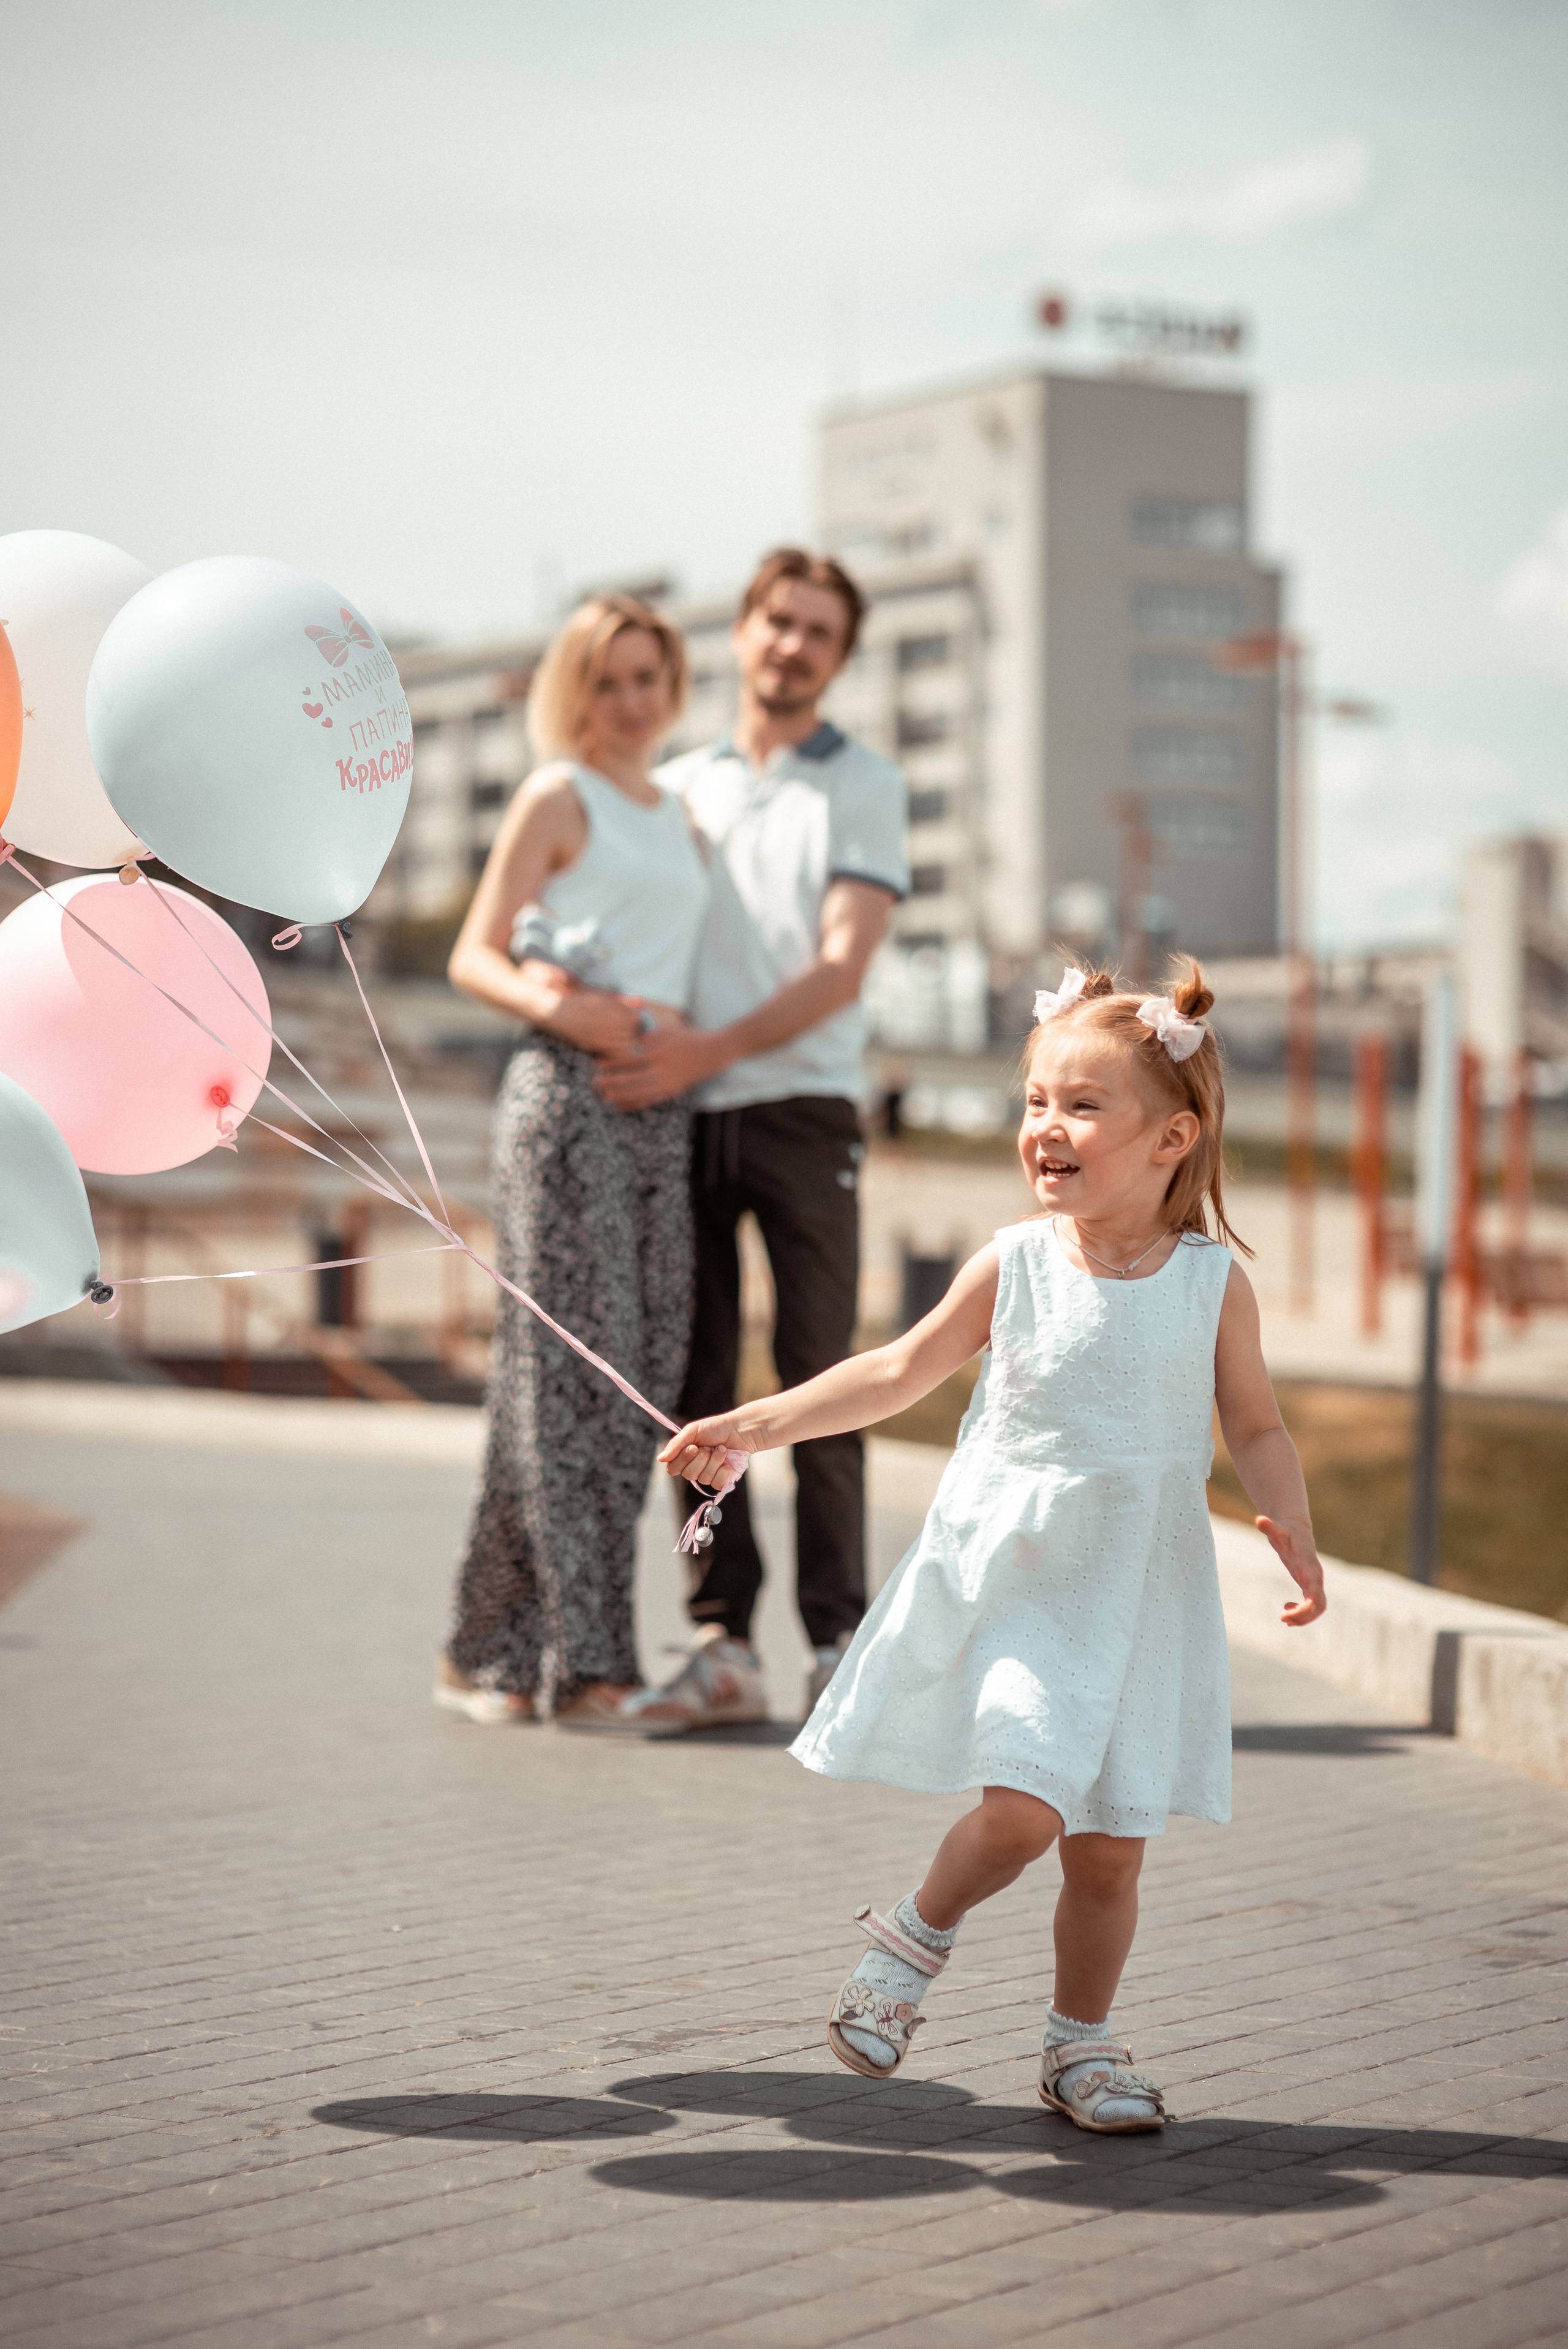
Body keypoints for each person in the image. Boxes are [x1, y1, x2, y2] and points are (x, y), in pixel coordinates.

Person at [659, 960, 1327, 2125]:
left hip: (1141, 1595)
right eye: (1035, 1102)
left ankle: (1082, 2049)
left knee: (1111, 1852)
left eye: (1081, 1105)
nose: (1046, 1128)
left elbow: (1257, 1423)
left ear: (1174, 1137)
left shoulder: (1213, 1285)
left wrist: (1294, 1521)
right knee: (1025, 1806)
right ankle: (910, 1942)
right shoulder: (1013, 1264)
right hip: (1023, 1580)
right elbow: (894, 1371)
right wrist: (755, 1423)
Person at [595, 549, 908, 1733]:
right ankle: (725, 1643)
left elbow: (840, 969)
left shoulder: (865, 785)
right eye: (777, 621)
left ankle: (839, 1643)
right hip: (686, 1117)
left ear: (839, 656)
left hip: (803, 1111)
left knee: (822, 1379)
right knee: (697, 1395)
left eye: (818, 631)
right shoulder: (675, 785)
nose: (792, 644)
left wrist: (702, 1051)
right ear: (740, 632)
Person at [437, 595, 709, 1727]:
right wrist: (563, 1003)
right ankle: (590, 1663)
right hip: (566, 1100)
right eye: (608, 680)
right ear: (576, 691)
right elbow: (474, 954)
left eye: (647, 676)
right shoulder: (559, 794)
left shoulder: (682, 811)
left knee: (612, 1379)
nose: (631, 700)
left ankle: (481, 1649)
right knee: (571, 1381)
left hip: (659, 1115)